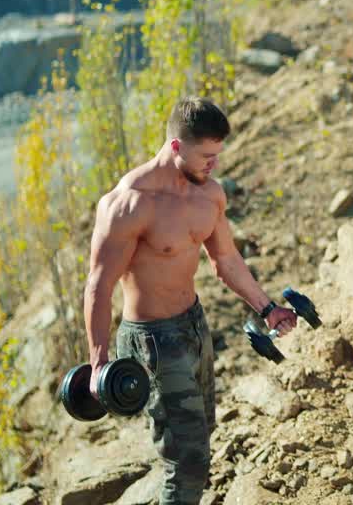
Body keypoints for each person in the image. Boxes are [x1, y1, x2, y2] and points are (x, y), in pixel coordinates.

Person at [82, 96, 297, 505]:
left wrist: (268, 309)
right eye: (206, 156)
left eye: (217, 155)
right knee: (188, 461)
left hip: (194, 325)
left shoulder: (209, 195)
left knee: (200, 436)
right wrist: (97, 363)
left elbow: (226, 260)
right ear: (176, 146)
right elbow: (98, 286)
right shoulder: (128, 204)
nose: (214, 165)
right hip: (152, 340)